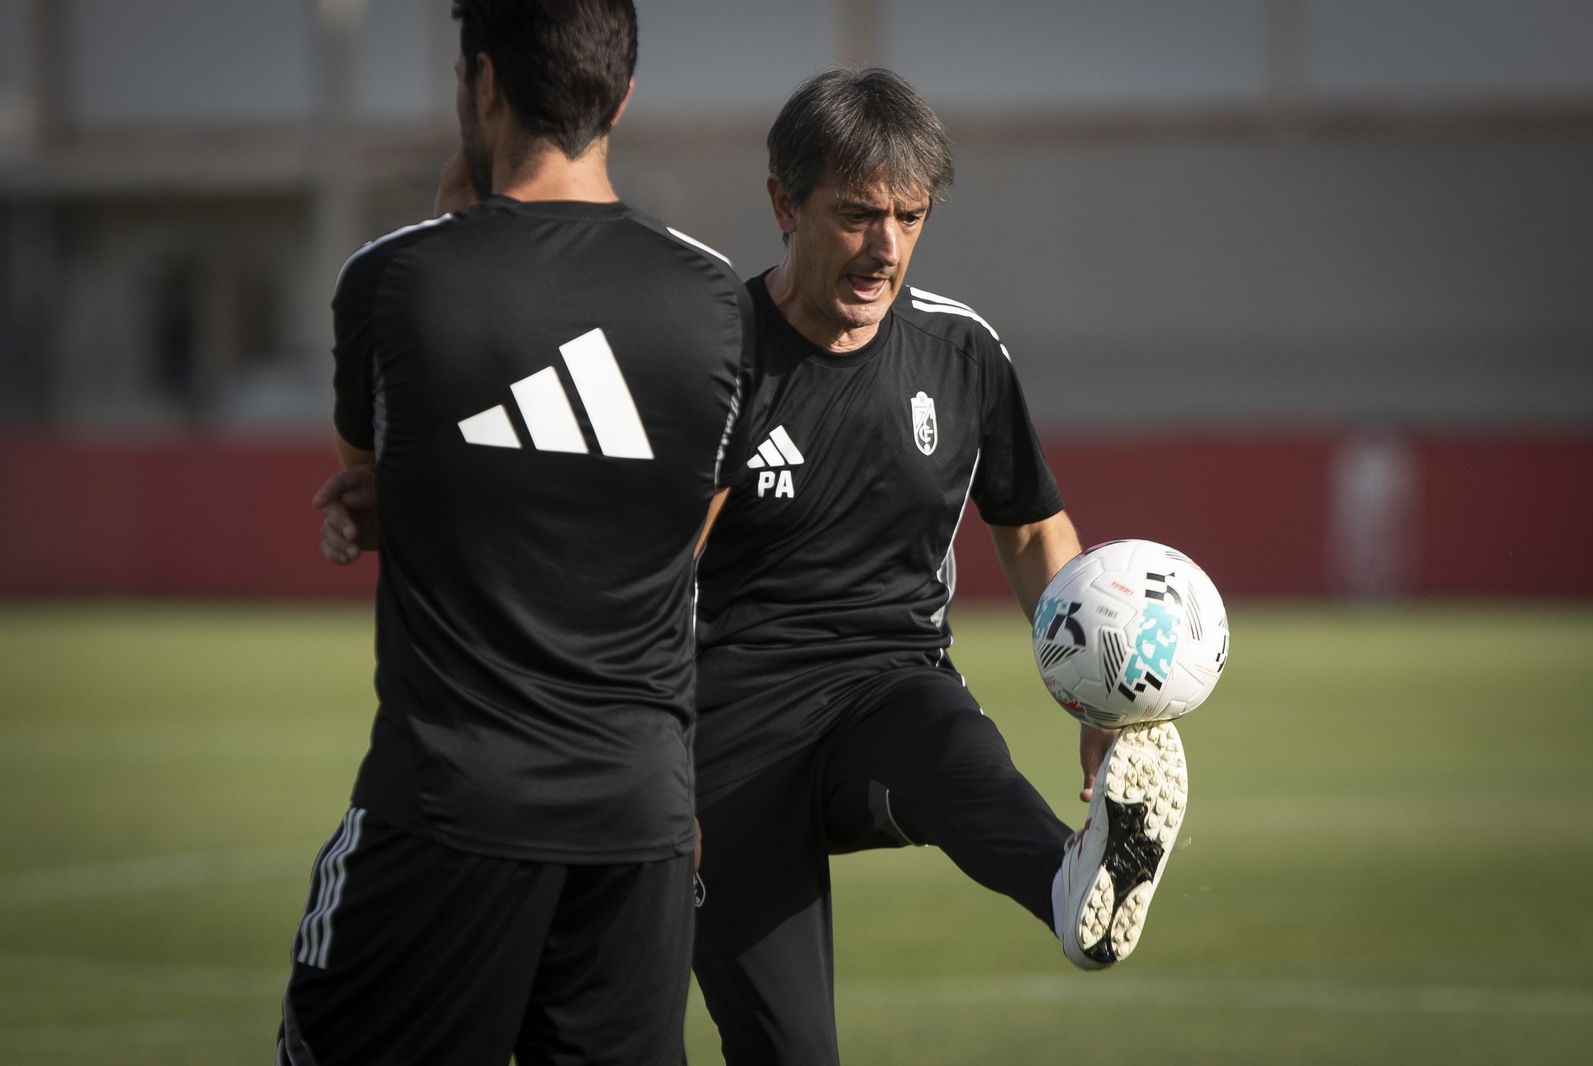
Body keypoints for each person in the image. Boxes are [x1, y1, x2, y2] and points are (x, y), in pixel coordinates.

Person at [318, 68, 1189, 1066]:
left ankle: (1075, 885)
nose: (885, 247)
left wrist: (1098, 705)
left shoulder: (962, 353)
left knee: (949, 741)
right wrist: (650, 772)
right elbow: (636, 566)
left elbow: (1033, 533)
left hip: (883, 692)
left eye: (909, 217)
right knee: (790, 1050)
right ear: (784, 203)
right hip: (723, 747)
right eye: (856, 215)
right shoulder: (710, 357)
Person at [278, 2, 749, 1064]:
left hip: (450, 812)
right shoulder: (718, 301)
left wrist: (458, 215)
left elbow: (373, 472)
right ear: (622, 97)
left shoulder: (391, 280)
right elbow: (685, 536)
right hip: (640, 824)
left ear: (483, 84)